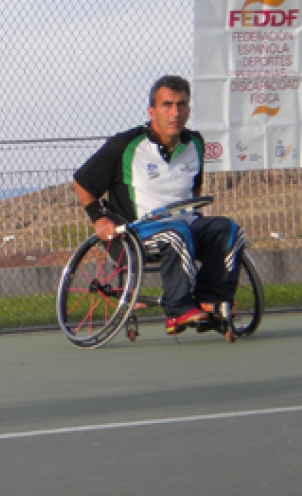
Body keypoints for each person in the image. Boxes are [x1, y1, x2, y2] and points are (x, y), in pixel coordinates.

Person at [72, 75, 246, 335]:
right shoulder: (125, 145)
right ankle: (178, 310)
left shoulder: (195, 143)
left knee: (230, 230)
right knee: (176, 232)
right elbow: (82, 183)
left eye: (181, 104)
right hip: (137, 232)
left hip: (186, 225)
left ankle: (211, 300)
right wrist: (99, 218)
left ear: (188, 109)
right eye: (167, 105)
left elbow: (193, 187)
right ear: (151, 111)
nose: (175, 112)